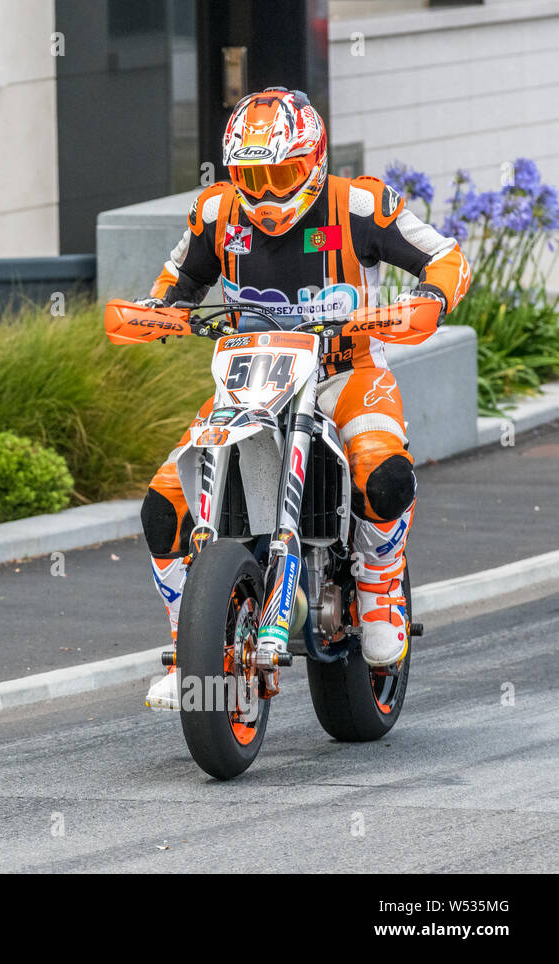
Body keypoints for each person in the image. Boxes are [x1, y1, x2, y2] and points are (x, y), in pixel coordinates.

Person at [139, 87, 471, 711]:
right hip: (249, 377)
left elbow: (445, 255)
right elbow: (175, 281)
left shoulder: (361, 204)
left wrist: (429, 300)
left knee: (386, 473)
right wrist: (159, 312)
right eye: (251, 178)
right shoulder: (215, 213)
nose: (265, 195)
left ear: (313, 161)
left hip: (346, 371)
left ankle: (377, 590)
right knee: (163, 506)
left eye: (281, 174)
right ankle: (192, 652)